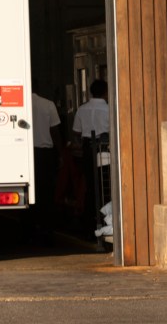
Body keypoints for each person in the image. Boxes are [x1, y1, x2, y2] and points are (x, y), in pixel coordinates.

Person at [72, 79, 110, 236]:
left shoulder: (82, 109)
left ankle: (88, 221)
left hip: (88, 148)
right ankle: (104, 218)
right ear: (106, 92)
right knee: (105, 183)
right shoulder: (109, 109)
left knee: (90, 183)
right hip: (105, 149)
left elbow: (76, 131)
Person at [30, 82, 62, 245]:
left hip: (28, 154)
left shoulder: (21, 104)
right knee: (46, 190)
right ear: (38, 88)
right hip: (46, 153)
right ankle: (47, 227)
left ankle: (29, 226)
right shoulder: (48, 104)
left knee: (30, 190)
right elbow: (54, 131)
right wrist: (61, 151)